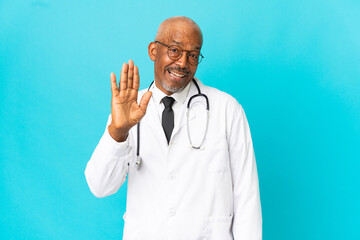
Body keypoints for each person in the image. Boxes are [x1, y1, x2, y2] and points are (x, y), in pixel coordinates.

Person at [85, 16, 262, 240]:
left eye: (193, 55)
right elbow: (99, 187)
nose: (182, 63)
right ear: (153, 51)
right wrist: (118, 132)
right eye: (175, 50)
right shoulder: (127, 110)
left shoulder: (227, 109)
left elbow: (247, 197)